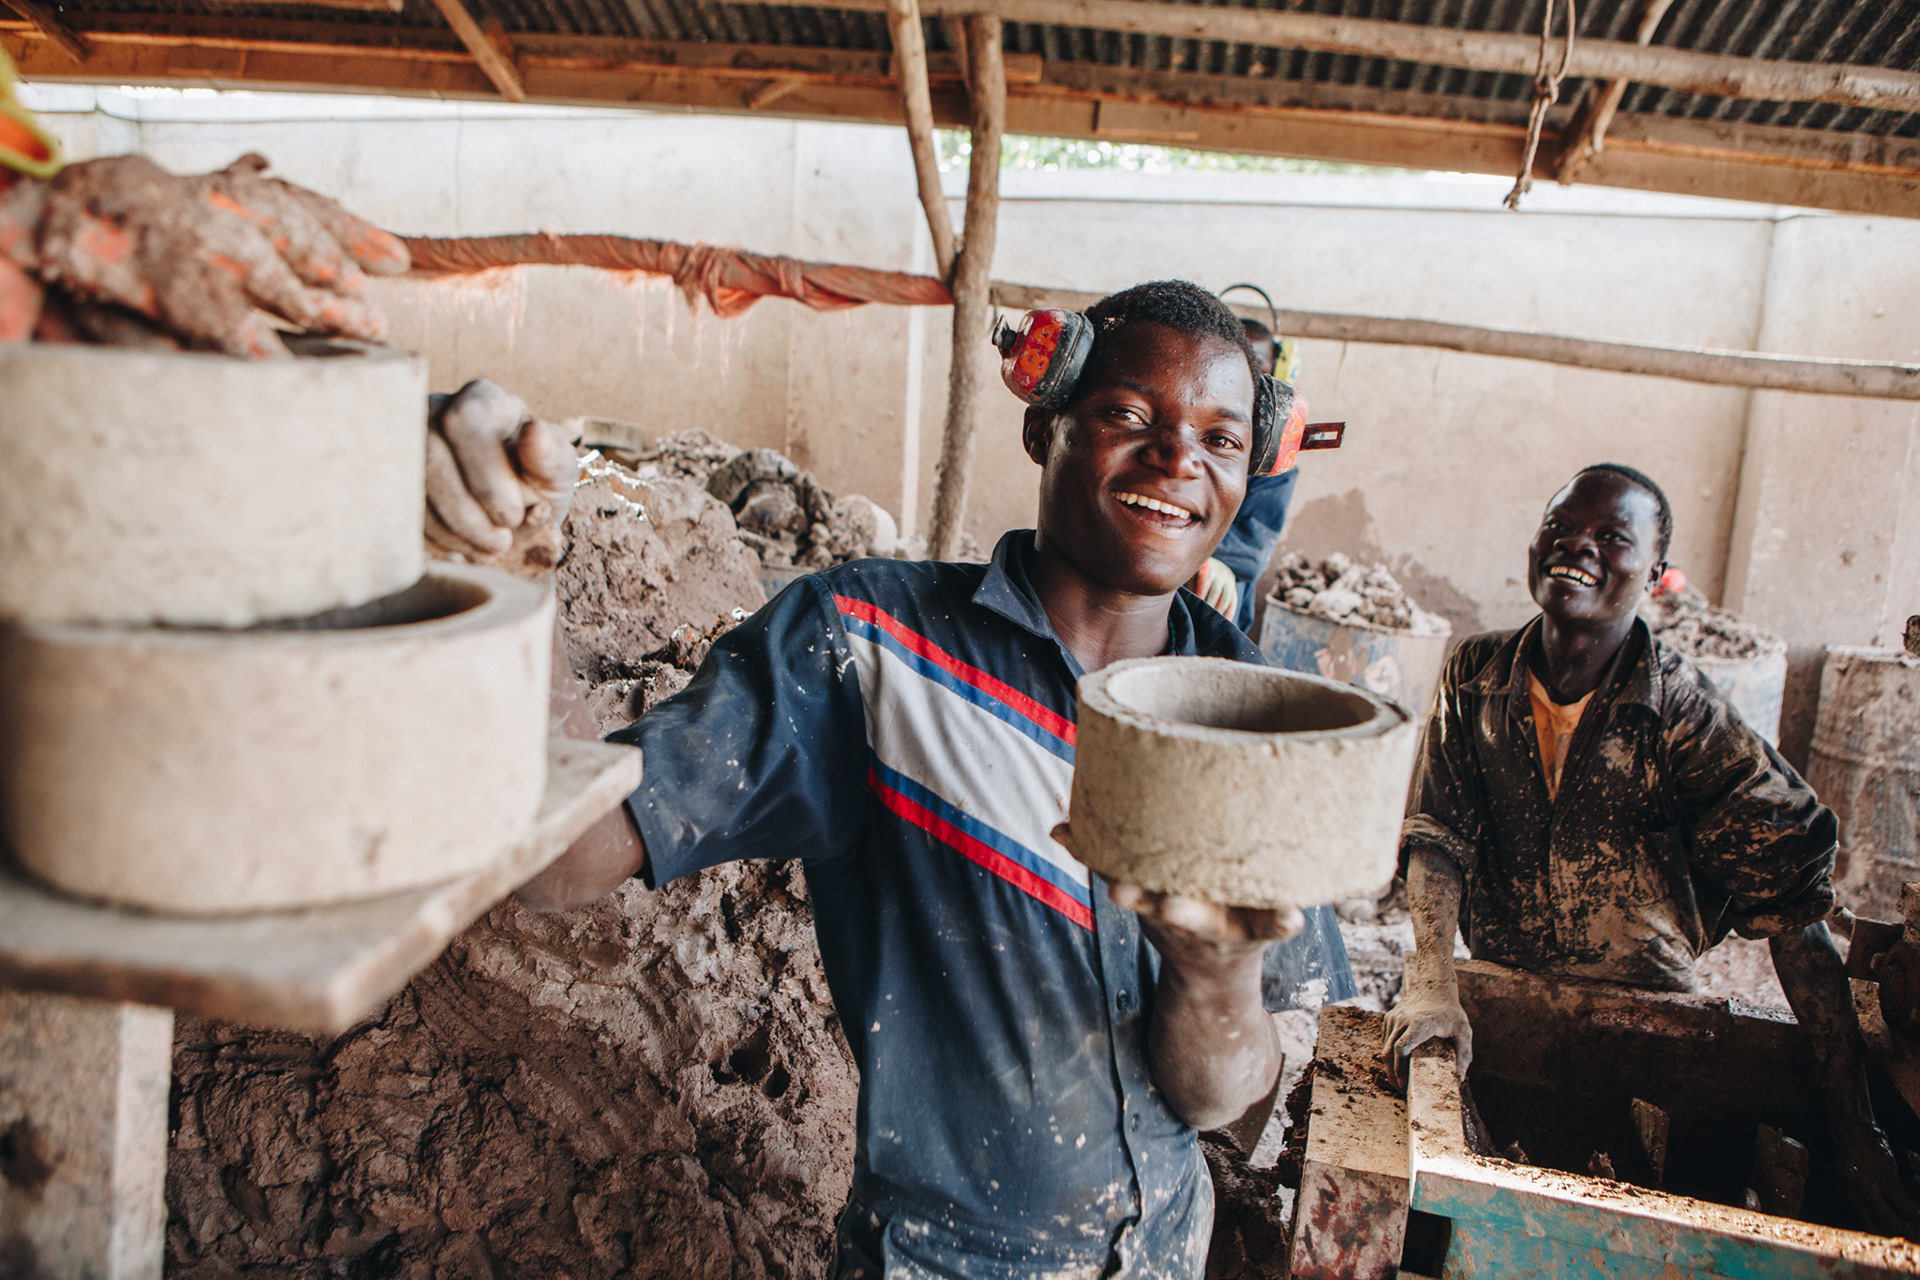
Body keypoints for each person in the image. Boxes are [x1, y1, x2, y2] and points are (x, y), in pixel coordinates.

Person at [438, 280, 1354, 1279]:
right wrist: (504, 571)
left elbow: (1238, 1098)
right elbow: (563, 851)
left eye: (1220, 438)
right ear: (1044, 423)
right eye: (1130, 415)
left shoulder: (1257, 722)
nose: (1179, 457)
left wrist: (1217, 979)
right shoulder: (871, 653)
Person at [1382, 463, 1920, 1239]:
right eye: (1561, 527)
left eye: (1611, 537)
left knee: (1624, 1220)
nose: (1579, 548)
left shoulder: (1686, 716)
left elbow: (1795, 915)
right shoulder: (1476, 673)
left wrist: (1855, 1131)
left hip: (1643, 1020)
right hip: (1506, 995)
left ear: (1657, 575)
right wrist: (1433, 984)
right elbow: (1439, 839)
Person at [1188, 318, 1297, 632]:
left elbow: (1252, 551)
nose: (1245, 376)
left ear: (1278, 373)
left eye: (1258, 365)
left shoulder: (1277, 460)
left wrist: (1206, 555)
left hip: (1222, 595)